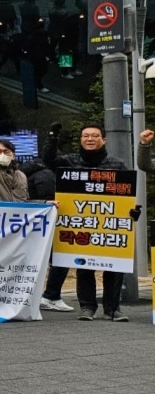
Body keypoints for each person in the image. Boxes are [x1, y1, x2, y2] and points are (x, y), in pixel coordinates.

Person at [43, 124, 129, 321]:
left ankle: (112, 309)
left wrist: (131, 211)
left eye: (95, 136)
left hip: (109, 224)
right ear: (81, 140)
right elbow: (48, 160)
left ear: (104, 140)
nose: (90, 139)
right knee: (84, 264)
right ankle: (87, 307)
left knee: (114, 265)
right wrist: (52, 136)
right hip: (81, 223)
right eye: (86, 136)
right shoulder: (70, 161)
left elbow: (128, 192)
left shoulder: (117, 164)